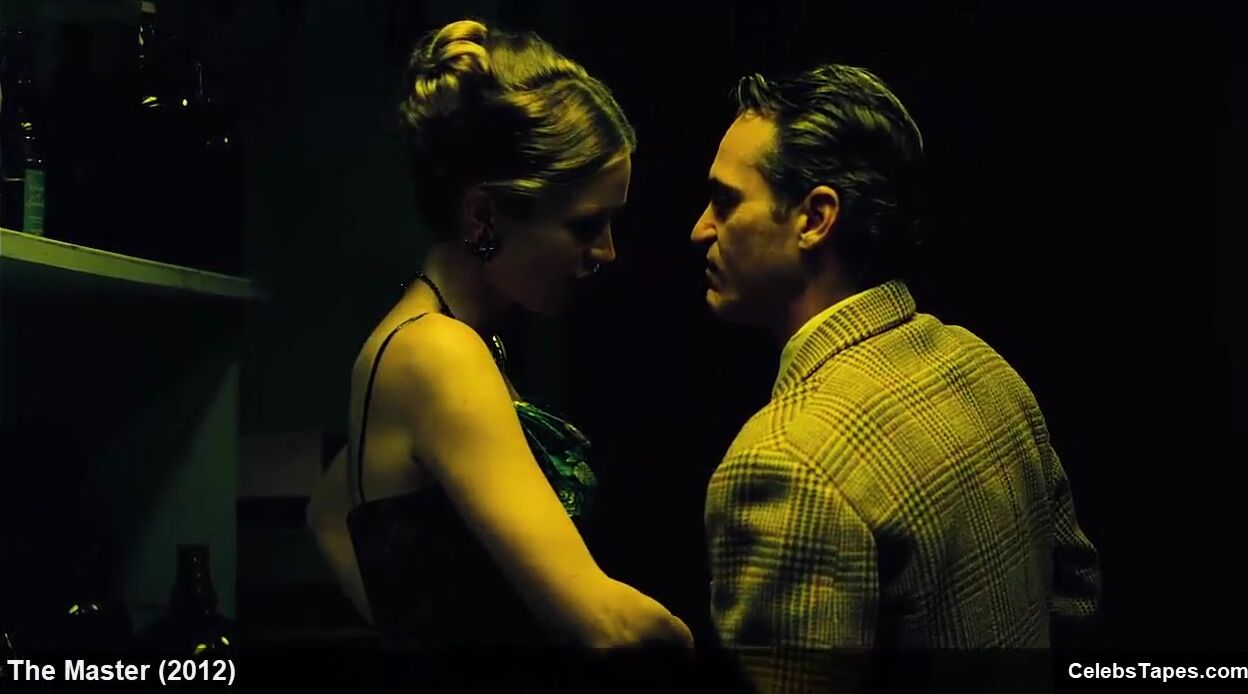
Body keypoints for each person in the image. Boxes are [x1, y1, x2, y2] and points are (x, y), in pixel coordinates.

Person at [691, 64, 1100, 689]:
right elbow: (1075, 602)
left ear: (815, 218)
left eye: (725, 201)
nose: (701, 229)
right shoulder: (983, 368)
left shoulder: (785, 464)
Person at [307, 19, 692, 650]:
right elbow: (605, 627)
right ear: (483, 214)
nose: (607, 251)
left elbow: (327, 512)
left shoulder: (440, 341)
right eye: (585, 225)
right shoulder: (437, 352)